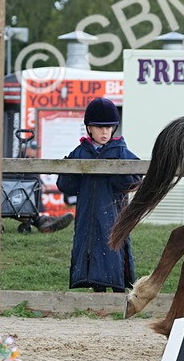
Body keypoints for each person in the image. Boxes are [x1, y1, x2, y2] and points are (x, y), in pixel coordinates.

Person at [57, 98, 141, 293]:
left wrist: (115, 172)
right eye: (99, 127)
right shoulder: (79, 152)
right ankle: (97, 292)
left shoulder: (121, 152)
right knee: (90, 247)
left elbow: (135, 181)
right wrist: (67, 169)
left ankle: (119, 291)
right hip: (87, 213)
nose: (104, 132)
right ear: (89, 128)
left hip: (113, 212)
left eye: (109, 127)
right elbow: (66, 185)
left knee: (113, 248)